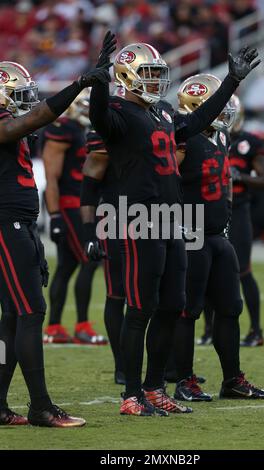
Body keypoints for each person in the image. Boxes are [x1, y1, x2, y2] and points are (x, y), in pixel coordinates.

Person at [85, 31, 260, 416]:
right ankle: (131, 394)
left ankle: (154, 387)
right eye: (146, 73)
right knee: (141, 308)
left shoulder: (161, 111)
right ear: (127, 76)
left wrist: (232, 81)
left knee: (172, 306)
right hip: (138, 220)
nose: (154, 80)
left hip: (172, 219)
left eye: (156, 73)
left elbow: (196, 121)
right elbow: (99, 116)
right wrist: (98, 83)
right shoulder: (116, 112)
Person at [0, 57, 110, 426]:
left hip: (20, 225)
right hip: (6, 225)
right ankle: (41, 406)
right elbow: (37, 118)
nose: (25, 101)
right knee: (31, 314)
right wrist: (79, 84)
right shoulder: (7, 123)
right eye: (17, 94)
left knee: (15, 318)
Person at [171, 74, 264, 402]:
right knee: (188, 310)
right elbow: (163, 182)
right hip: (192, 233)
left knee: (230, 308)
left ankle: (232, 380)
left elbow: (225, 179)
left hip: (217, 234)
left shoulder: (220, 136)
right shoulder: (182, 139)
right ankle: (184, 381)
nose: (225, 109)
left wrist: (225, 214)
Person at [42, 91, 107, 345]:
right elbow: (52, 178)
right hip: (71, 205)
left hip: (85, 205)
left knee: (68, 266)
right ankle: (81, 325)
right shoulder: (65, 129)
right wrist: (55, 215)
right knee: (89, 262)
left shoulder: (87, 129)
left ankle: (55, 327)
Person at [82, 126, 125, 384]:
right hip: (115, 218)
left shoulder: (158, 119)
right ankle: (122, 364)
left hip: (154, 215)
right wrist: (89, 234)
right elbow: (88, 188)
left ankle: (170, 365)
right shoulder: (107, 132)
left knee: (159, 294)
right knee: (117, 292)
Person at [229, 95, 264, 346]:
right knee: (207, 272)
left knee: (243, 271)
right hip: (211, 212)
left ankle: (256, 330)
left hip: (238, 212)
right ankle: (209, 330)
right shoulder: (207, 139)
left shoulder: (249, 143)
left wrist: (241, 177)